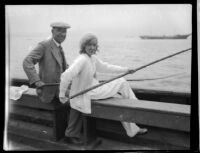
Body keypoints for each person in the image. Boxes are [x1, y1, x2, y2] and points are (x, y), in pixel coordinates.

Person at [59, 33, 148, 144]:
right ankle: (137, 106)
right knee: (122, 82)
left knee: (119, 99)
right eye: (89, 45)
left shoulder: (92, 59)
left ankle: (132, 130)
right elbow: (65, 76)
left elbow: (107, 67)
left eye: (94, 45)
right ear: (84, 46)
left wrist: (126, 70)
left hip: (93, 89)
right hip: (89, 93)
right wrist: (62, 94)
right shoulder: (82, 60)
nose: (92, 47)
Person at [23, 22, 70, 103]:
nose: (62, 34)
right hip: (48, 93)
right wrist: (36, 80)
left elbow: (62, 67)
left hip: (60, 92)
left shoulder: (59, 46)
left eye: (64, 31)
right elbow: (27, 62)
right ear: (52, 31)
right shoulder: (44, 45)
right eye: (59, 30)